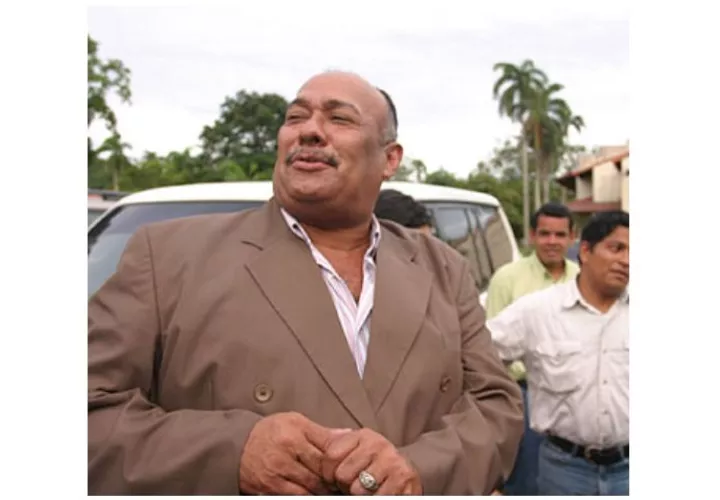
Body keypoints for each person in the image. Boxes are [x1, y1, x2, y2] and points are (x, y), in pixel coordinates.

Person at [88, 70, 524, 495]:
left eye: (339, 118)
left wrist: (419, 470)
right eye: (296, 117)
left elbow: (496, 406)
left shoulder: (442, 267)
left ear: (390, 159)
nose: (310, 130)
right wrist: (231, 454)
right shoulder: (169, 257)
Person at [487, 211, 630, 496]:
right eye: (616, 248)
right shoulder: (537, 311)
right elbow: (478, 360)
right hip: (565, 471)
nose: (627, 260)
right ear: (586, 251)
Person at [485, 202, 579, 495]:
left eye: (560, 235)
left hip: (574, 394)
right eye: (545, 234)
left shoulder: (581, 279)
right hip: (522, 393)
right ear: (532, 235)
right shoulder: (507, 278)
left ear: (572, 237)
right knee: (526, 479)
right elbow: (489, 350)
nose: (552, 241)